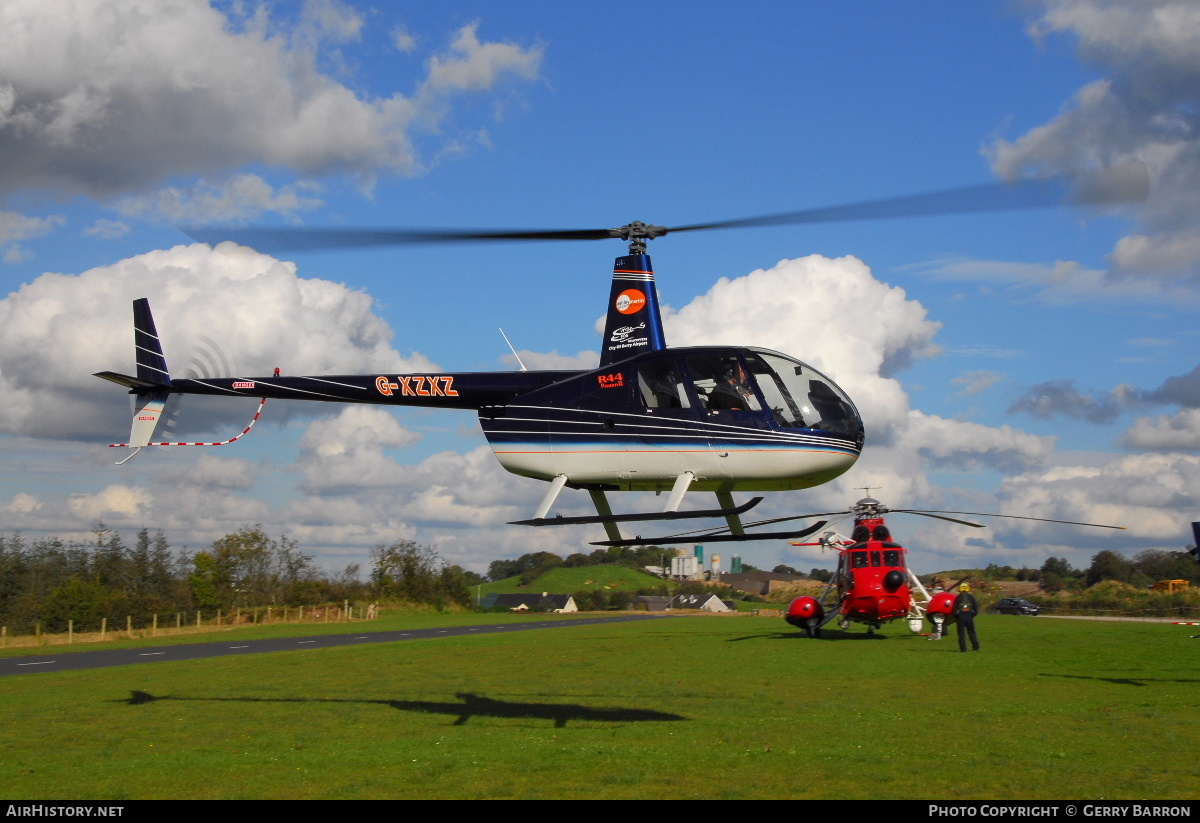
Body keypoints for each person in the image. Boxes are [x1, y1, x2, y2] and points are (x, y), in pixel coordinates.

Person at [953, 583, 980, 652]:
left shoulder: (958, 598)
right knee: (972, 632)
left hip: (960, 617)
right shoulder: (971, 597)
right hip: (969, 617)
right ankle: (976, 647)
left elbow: (954, 609)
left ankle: (963, 649)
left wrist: (956, 616)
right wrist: (971, 615)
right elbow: (976, 610)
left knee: (961, 634)